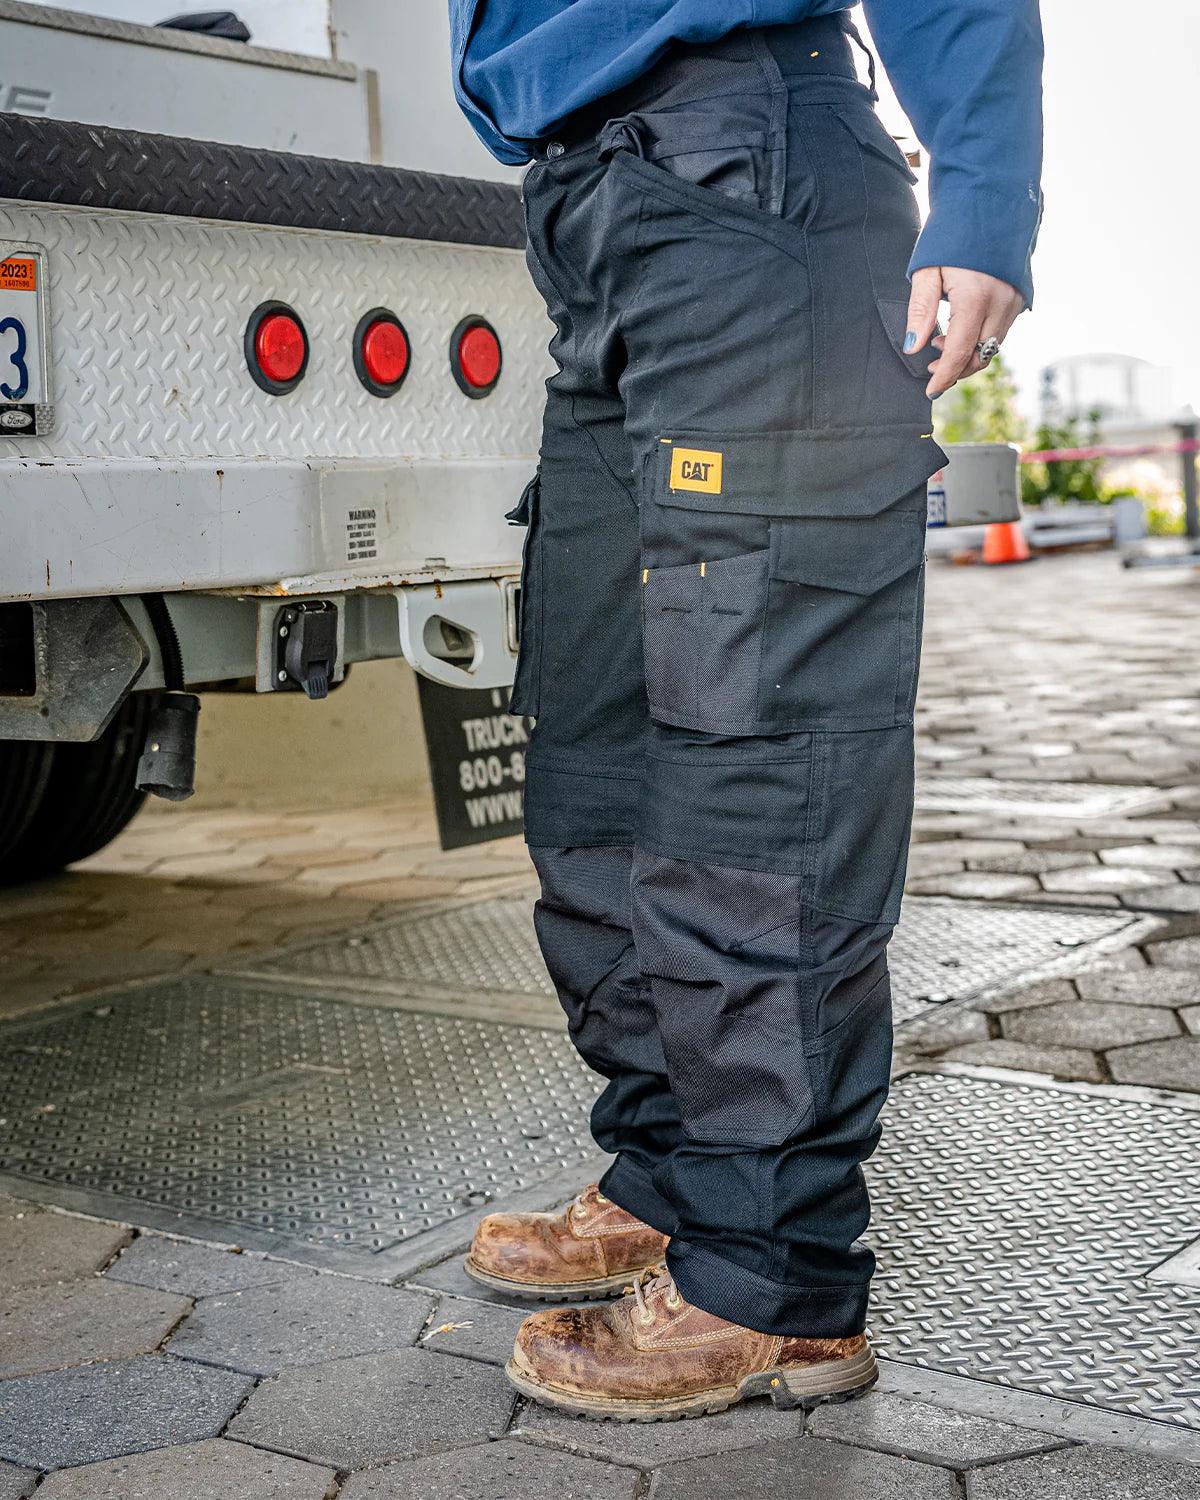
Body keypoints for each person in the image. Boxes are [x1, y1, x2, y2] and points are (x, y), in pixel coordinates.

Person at [449, 0, 1043, 1420]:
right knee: (594, 732)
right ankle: (665, 1172)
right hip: (600, 203)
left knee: (758, 744)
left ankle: (772, 1274)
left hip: (751, 170)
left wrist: (985, 187)